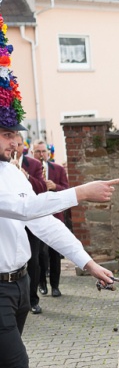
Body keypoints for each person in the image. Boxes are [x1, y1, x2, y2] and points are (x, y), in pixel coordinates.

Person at [0, 125, 119, 368]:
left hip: (20, 285)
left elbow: (43, 223)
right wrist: (80, 193)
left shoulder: (10, 171)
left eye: (15, 134)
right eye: (6, 134)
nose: (15, 142)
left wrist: (88, 264)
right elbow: (24, 210)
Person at [10, 134, 47, 314]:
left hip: (31, 222)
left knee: (34, 261)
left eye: (18, 144)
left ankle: (32, 299)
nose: (15, 147)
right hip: (11, 223)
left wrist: (26, 177)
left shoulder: (34, 165)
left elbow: (42, 188)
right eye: (13, 144)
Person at [33, 139, 69, 297]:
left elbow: (67, 190)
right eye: (37, 152)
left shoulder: (58, 169)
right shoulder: (28, 169)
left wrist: (55, 187)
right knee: (40, 253)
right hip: (37, 216)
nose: (41, 155)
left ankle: (55, 285)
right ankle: (41, 283)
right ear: (32, 153)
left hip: (55, 216)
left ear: (48, 153)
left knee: (55, 252)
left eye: (43, 151)